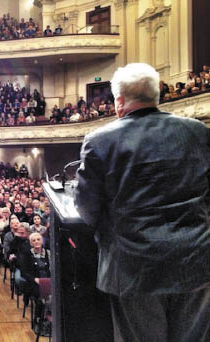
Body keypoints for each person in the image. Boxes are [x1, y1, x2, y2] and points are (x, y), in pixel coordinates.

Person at [75, 62, 210, 342]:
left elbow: (86, 209)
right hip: (196, 260)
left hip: (133, 267)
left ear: (119, 101)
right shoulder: (198, 131)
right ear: (157, 95)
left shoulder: (100, 141)